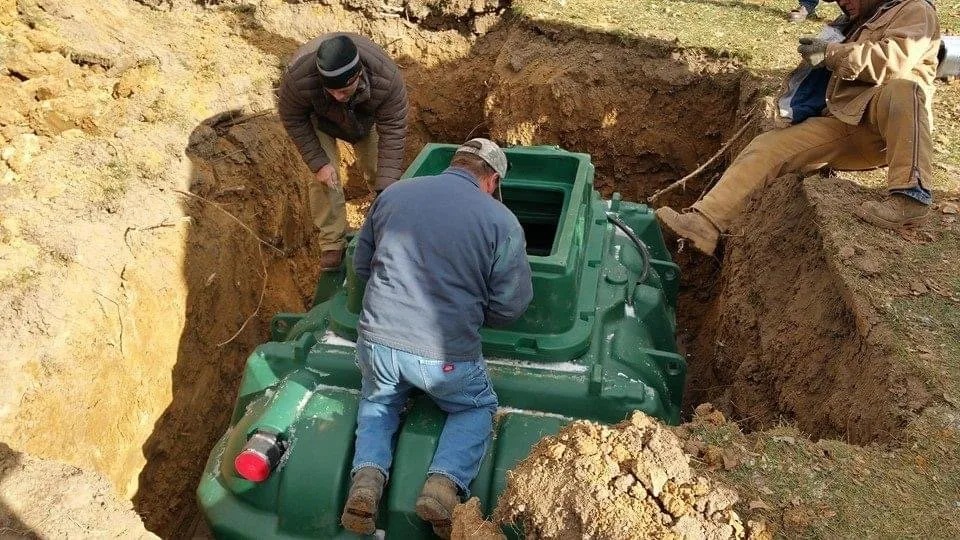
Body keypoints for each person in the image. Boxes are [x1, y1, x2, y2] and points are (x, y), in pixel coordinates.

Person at [340, 138, 534, 538]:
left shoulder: (394, 194)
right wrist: (476, 316)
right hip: (443, 357)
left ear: (455, 164)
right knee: (476, 406)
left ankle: (366, 482)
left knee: (378, 401)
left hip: (376, 342)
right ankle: (442, 486)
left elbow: (362, 265)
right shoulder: (501, 221)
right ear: (492, 179)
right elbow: (510, 306)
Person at [656, 0, 941, 257]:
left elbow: (892, 61)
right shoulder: (852, 23)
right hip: (847, 120)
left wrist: (831, 53)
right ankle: (704, 223)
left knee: (905, 89)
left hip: (893, 129)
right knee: (768, 146)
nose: (842, 3)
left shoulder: (915, 10)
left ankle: (911, 197)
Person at [277, 32, 408, 271]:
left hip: (365, 117)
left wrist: (386, 188)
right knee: (324, 179)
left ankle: (382, 225)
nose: (338, 96)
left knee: (379, 172)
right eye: (332, 90)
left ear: (358, 75)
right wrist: (318, 163)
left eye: (344, 90)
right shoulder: (299, 78)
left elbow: (394, 132)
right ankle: (331, 242)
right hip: (320, 117)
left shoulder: (386, 79)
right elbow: (292, 117)